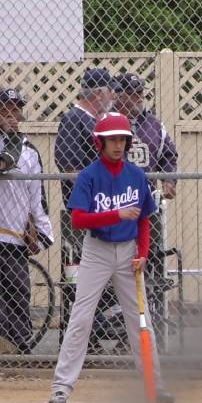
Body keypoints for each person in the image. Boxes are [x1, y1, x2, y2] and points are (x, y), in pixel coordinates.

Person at [48, 113, 172, 403]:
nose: (118, 145)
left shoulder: (137, 175)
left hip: (129, 252)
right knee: (81, 317)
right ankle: (61, 387)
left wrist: (142, 252)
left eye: (122, 139)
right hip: (97, 251)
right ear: (100, 143)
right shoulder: (90, 176)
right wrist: (114, 215)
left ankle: (153, 385)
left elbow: (144, 220)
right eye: (112, 139)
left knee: (141, 321)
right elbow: (78, 219)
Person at [0, 88, 53, 354]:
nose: (11, 116)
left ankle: (22, 344)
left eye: (15, 111)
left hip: (15, 235)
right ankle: (0, 345)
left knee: (18, 291)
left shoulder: (28, 151)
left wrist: (39, 231)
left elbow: (37, 197)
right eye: (5, 111)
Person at [112, 72, 179, 345]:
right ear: (120, 96)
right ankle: (119, 325)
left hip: (147, 205)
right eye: (130, 93)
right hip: (116, 205)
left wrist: (169, 180)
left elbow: (169, 155)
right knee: (118, 265)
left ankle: (152, 325)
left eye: (139, 93)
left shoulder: (153, 125)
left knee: (150, 263)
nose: (136, 98)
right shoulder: (111, 125)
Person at [55, 68, 115, 351]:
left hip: (100, 214)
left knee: (103, 278)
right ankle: (83, 340)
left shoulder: (94, 122)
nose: (113, 97)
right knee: (79, 277)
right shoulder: (74, 120)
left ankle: (94, 333)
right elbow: (67, 166)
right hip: (80, 214)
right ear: (99, 93)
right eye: (110, 91)